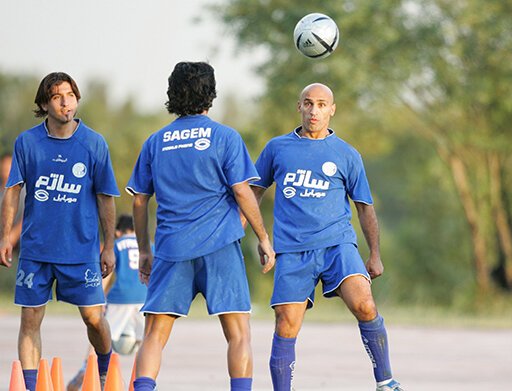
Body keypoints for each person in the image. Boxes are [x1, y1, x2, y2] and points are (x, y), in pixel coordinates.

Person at [126, 61, 275, 391]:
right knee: (238, 332)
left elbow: (139, 201)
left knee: (154, 334)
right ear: (211, 92)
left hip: (171, 248)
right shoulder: (225, 136)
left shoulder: (156, 141)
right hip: (220, 246)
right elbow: (242, 191)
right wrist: (263, 237)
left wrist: (145, 250)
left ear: (172, 93)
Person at [251, 83, 403, 391]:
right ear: (299, 107)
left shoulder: (347, 154)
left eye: (322, 104)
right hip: (293, 251)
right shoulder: (277, 148)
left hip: (338, 245)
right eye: (308, 103)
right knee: (286, 323)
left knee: (364, 304)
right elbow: (252, 193)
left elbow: (364, 207)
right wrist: (259, 236)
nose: (314, 110)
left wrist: (374, 253)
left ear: (332, 110)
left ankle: (385, 382)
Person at [0, 72, 119, 391]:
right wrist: (4, 237)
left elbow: (105, 197)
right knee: (30, 321)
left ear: (77, 99)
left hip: (80, 252)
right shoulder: (27, 142)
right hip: (37, 251)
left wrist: (108, 246)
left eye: (70, 95)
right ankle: (29, 386)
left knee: (94, 319)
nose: (66, 101)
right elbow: (13, 191)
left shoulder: (94, 143)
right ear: (44, 104)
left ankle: (106, 367)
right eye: (57, 96)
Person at [67, 214, 149, 391]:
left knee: (100, 333)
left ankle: (86, 368)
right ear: (135, 230)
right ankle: (146, 380)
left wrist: (100, 297)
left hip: (120, 298)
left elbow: (107, 274)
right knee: (149, 340)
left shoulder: (117, 245)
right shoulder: (147, 245)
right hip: (144, 297)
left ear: (118, 232)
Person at [0, 153, 23, 249]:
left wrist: (12, 237)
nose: (7, 168)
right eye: (4, 164)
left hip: (18, 244)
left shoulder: (24, 191)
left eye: (10, 165)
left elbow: (27, 216)